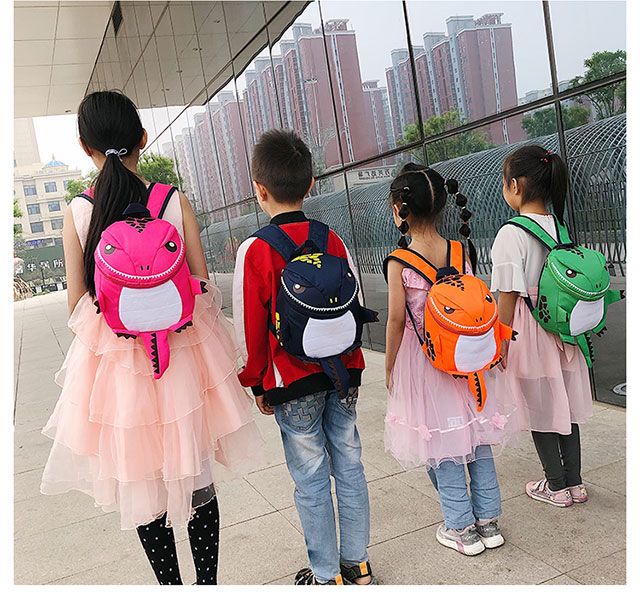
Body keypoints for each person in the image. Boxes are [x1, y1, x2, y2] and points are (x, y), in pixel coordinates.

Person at [40, 90, 263, 585]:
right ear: (143, 138)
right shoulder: (171, 200)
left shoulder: (79, 211)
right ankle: (208, 586)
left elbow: (77, 304)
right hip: (180, 357)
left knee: (142, 484)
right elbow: (202, 285)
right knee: (196, 476)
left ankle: (171, 588)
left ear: (84, 146)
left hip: (121, 369)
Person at [232, 130, 375, 585]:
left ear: (259, 189)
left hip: (291, 380)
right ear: (312, 184)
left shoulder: (255, 250)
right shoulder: (332, 239)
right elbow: (354, 304)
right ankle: (358, 565)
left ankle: (326, 576)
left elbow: (249, 327)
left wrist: (256, 382)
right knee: (349, 464)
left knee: (311, 477)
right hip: (344, 372)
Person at [384, 163, 521, 556]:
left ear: (399, 210)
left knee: (443, 442)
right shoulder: (461, 251)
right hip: (468, 360)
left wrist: (390, 367)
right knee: (477, 437)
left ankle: (461, 528)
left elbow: (396, 321)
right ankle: (489, 522)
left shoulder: (399, 261)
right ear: (443, 206)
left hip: (425, 363)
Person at [491, 145, 592, 507]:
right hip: (564, 329)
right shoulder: (560, 227)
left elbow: (507, 294)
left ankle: (555, 486)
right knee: (564, 404)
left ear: (515, 185)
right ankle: (575, 484)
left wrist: (500, 340)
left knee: (540, 406)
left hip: (529, 328)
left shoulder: (511, 233)